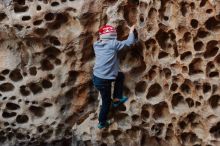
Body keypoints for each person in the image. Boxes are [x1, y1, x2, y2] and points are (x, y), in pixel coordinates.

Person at [92, 24, 137, 129]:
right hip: (104, 80)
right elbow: (129, 43)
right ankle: (102, 122)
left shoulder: (96, 45)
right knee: (106, 102)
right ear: (113, 36)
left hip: (97, 77)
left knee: (120, 75)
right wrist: (131, 32)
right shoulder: (113, 44)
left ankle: (117, 99)